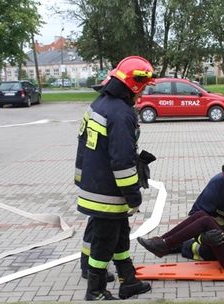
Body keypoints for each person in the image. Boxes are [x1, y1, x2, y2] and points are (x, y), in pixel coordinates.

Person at [75, 56, 155, 301]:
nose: (143, 94)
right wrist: (134, 195)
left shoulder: (101, 103)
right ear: (134, 85)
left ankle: (128, 281)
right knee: (104, 242)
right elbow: (121, 162)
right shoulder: (121, 114)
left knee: (120, 236)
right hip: (107, 192)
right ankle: (96, 291)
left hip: (96, 185)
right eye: (143, 88)